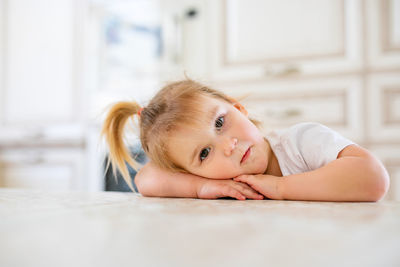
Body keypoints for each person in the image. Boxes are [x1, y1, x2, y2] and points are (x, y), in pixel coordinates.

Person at [101, 79, 390, 202]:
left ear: (238, 107)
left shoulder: (300, 143)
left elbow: (373, 178)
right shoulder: (221, 184)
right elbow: (146, 179)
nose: (227, 146)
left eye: (219, 122)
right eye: (204, 153)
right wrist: (202, 187)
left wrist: (281, 187)